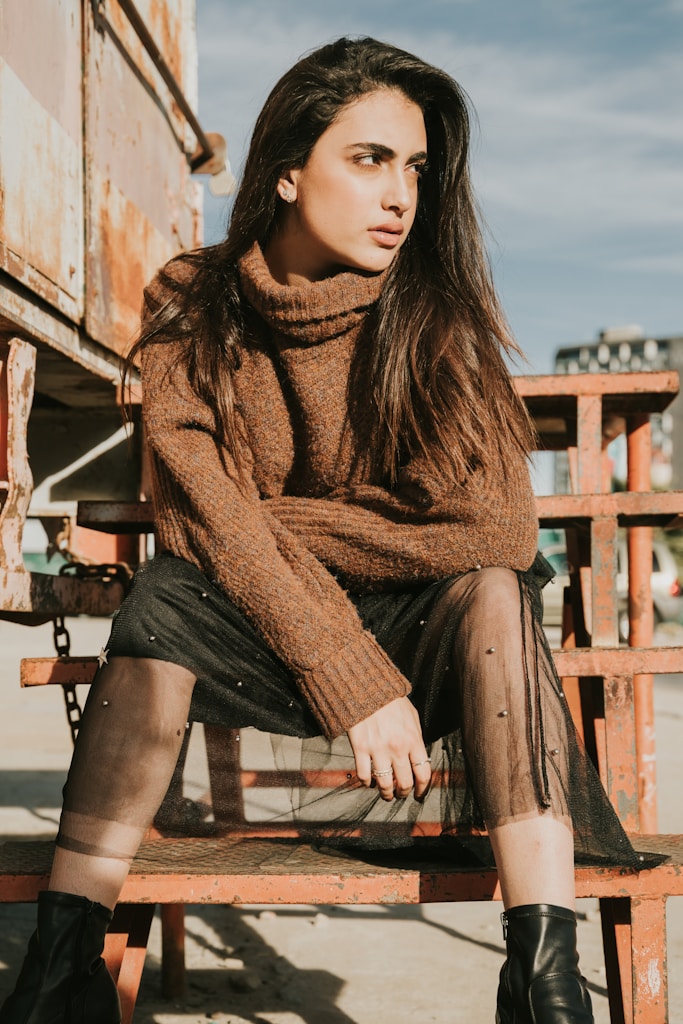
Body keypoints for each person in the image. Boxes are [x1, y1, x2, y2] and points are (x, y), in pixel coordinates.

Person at [1, 35, 649, 1024]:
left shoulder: (434, 316)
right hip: (262, 633)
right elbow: (203, 522)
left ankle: (542, 971)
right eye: (369, 159)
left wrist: (277, 524)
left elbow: (495, 527)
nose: (400, 194)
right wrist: (341, 664)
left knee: (492, 593)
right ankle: (60, 958)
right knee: (166, 596)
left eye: (416, 168)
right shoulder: (193, 304)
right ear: (289, 173)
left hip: (428, 640)